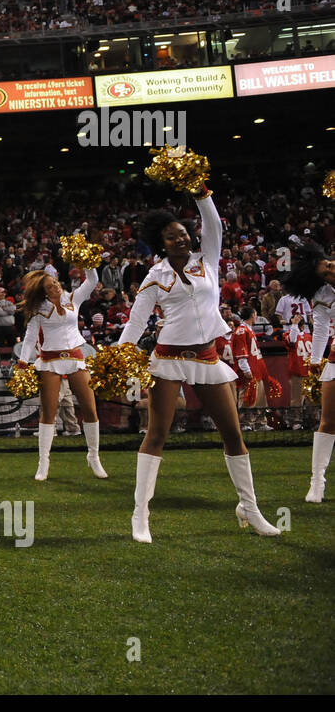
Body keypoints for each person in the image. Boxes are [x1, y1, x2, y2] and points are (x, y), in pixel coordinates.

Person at [117, 186, 280, 542]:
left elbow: (214, 227)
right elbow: (135, 320)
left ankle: (249, 508)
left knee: (233, 434)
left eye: (184, 233)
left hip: (207, 357)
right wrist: (120, 354)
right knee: (157, 434)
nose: (182, 238)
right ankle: (140, 514)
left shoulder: (206, 260)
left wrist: (202, 193)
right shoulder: (155, 276)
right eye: (173, 236)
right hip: (169, 359)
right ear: (161, 243)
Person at [15, 266, 107, 481]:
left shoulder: (73, 298)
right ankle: (43, 462)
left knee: (90, 408)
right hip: (50, 360)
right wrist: (22, 360)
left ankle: (94, 457)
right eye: (50, 286)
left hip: (75, 357)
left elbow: (92, 281)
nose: (55, 286)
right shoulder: (39, 308)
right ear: (44, 292)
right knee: (48, 412)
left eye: (55, 282)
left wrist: (88, 262)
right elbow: (29, 337)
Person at [281, 242, 335, 501]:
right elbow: (322, 329)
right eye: (325, 272)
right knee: (328, 421)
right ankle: (317, 482)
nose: (331, 270)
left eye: (330, 264)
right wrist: (315, 363)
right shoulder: (323, 294)